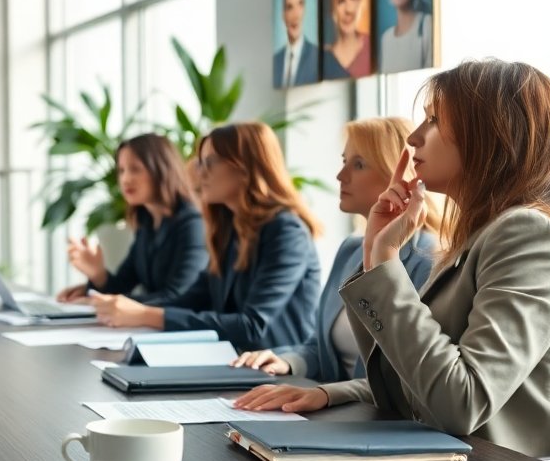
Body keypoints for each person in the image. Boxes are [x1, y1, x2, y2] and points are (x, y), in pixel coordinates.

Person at [234, 60, 550, 461]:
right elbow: (405, 384)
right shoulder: (475, 237)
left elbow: (461, 402)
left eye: (432, 121)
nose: (414, 138)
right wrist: (376, 252)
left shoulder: (530, 234)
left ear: (490, 135)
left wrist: (386, 262)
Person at [230, 117, 442, 381]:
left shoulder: (428, 258)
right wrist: (287, 360)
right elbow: (320, 347)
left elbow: (406, 374)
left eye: (359, 165)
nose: (341, 176)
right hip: (333, 409)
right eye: (345, 162)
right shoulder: (351, 249)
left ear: (397, 175)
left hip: (372, 415)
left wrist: (326, 396)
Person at [87, 122, 322, 352]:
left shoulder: (286, 232)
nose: (200, 173)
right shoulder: (229, 229)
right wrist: (123, 308)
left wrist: (145, 314)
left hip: (282, 373)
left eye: (210, 162)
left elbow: (252, 326)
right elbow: (191, 299)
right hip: (233, 361)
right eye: (201, 163)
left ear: (244, 168)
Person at [57, 134, 207, 306]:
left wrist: (101, 302)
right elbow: (123, 284)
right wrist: (98, 275)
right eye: (121, 170)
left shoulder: (193, 224)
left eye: (135, 169)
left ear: (161, 169)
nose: (125, 179)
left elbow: (178, 296)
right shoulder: (147, 223)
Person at [321, 0, 372, 79]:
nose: (348, 9)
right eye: (341, 0)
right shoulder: (325, 57)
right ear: (333, 5)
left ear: (363, 1)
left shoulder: (372, 48)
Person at [272, 0, 319, 88]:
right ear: (283, 15)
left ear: (305, 9)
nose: (295, 15)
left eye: (300, 4)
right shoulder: (275, 61)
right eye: (289, 7)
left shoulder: (316, 56)